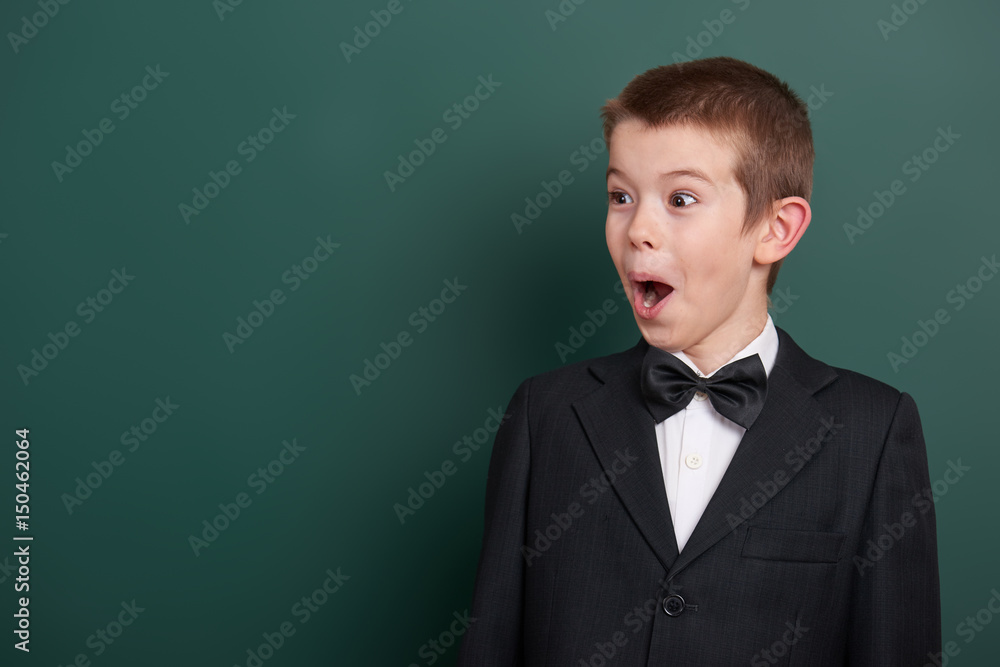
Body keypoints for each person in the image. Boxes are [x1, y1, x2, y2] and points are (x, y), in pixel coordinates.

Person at [456, 56, 941, 665]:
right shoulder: (544, 414)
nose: (638, 229)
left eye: (681, 198)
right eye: (620, 196)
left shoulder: (874, 430)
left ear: (775, 229)